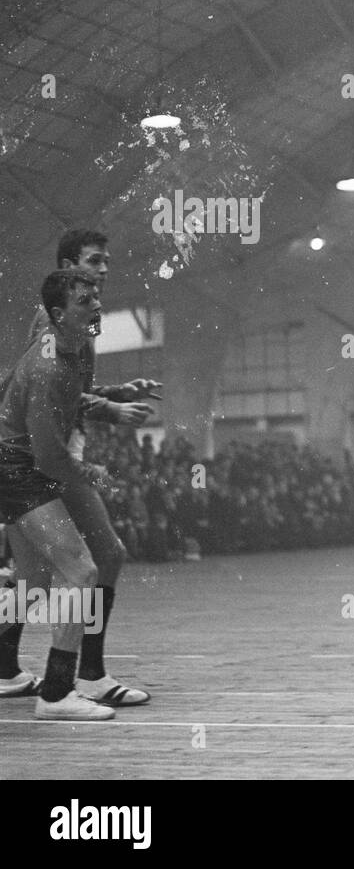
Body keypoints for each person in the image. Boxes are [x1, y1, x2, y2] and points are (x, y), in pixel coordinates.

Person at [1, 230, 159, 708]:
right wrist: (104, 421)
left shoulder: (83, 323)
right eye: (95, 261)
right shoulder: (50, 325)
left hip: (39, 456)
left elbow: (70, 391)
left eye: (107, 262)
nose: (105, 270)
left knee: (37, 578)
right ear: (69, 264)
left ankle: (7, 667)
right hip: (37, 459)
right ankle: (78, 678)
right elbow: (43, 393)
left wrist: (116, 393)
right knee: (97, 560)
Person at [0, 271, 118, 719]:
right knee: (83, 571)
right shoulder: (48, 365)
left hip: (19, 464)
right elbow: (50, 460)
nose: (96, 306)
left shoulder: (76, 346)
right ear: (57, 315)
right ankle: (55, 693)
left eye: (96, 298)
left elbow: (77, 401)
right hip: (17, 469)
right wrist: (92, 472)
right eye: (85, 301)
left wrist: (116, 401)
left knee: (32, 587)